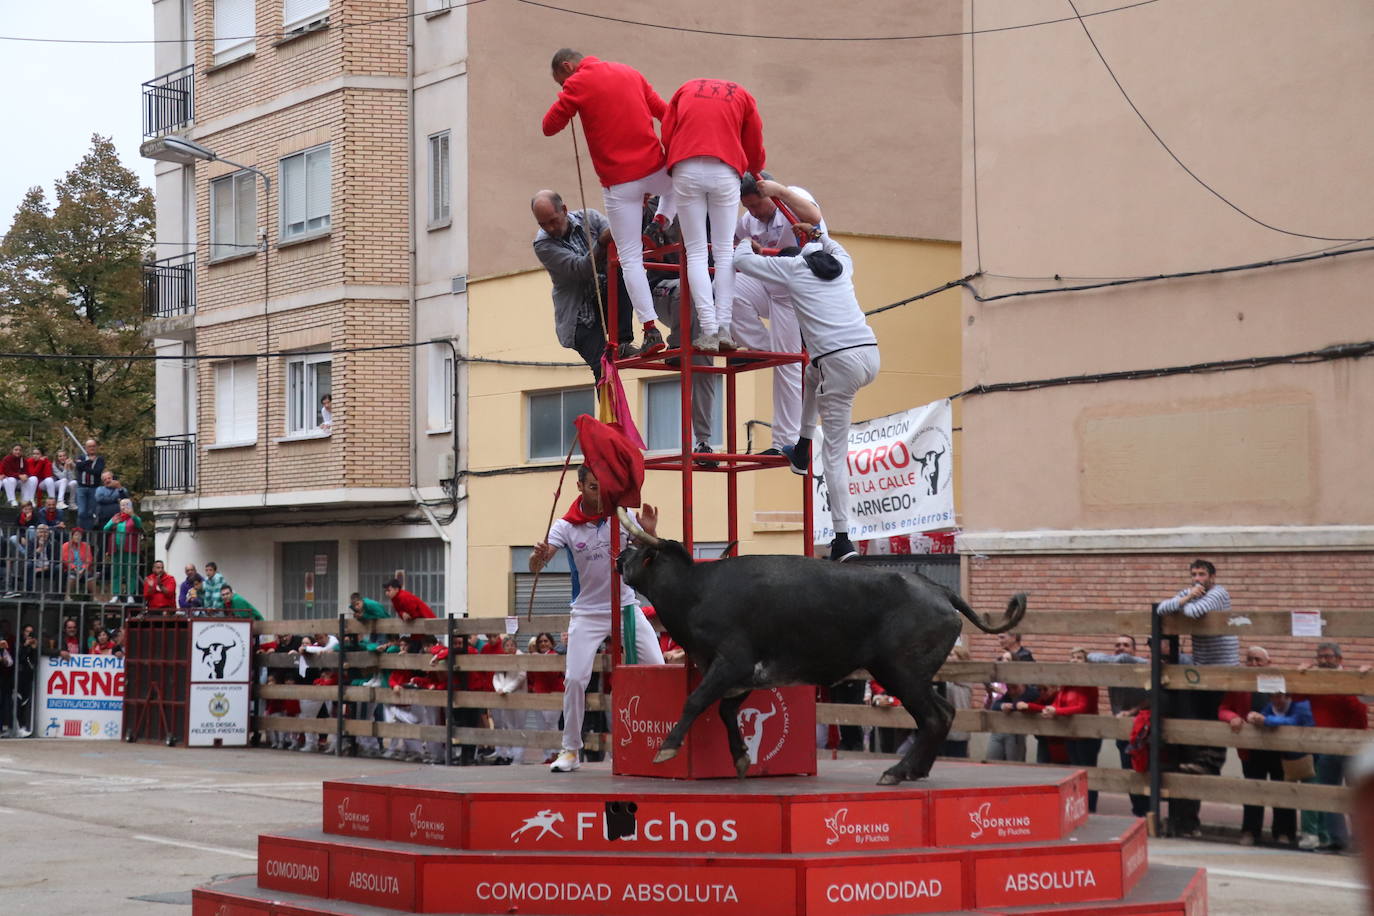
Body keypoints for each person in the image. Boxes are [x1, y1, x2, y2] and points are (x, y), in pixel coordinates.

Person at [733, 231, 878, 562]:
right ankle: (800, 447)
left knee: (834, 455)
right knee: (811, 373)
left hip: (840, 363)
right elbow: (827, 237)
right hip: (869, 354)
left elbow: (741, 262)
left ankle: (842, 540)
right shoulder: (842, 263)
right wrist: (816, 233)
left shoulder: (794, 268)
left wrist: (746, 243)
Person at [529, 466, 665, 772]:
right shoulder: (564, 526)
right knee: (576, 679)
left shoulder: (621, 515)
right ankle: (570, 750)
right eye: (592, 488)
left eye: (603, 488)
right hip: (587, 614)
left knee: (658, 668)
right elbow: (537, 565)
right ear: (579, 486)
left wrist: (649, 531)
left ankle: (658, 743)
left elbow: (652, 553)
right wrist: (536, 556)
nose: (600, 495)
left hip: (626, 607)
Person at [542, 49, 675, 357]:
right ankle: (659, 223)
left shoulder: (578, 84)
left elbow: (549, 126)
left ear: (567, 66)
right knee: (683, 183)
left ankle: (650, 329)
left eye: (562, 82)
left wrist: (569, 99)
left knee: (630, 259)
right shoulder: (631, 71)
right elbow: (665, 112)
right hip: (654, 169)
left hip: (619, 183)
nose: (564, 88)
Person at [659, 77, 766, 350]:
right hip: (725, 168)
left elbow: (668, 131)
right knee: (724, 252)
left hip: (685, 167)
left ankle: (708, 330)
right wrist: (755, 167)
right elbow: (753, 140)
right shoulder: (742, 93)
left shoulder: (683, 88)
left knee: (695, 251)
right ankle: (725, 329)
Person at [733, 175, 825, 456]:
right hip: (771, 285)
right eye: (747, 207)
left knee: (787, 367)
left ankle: (783, 442)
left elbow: (815, 216)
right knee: (724, 291)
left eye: (757, 205)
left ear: (769, 195)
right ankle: (764, 348)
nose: (754, 212)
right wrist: (747, 244)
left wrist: (780, 192)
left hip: (797, 291)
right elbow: (733, 239)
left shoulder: (791, 197)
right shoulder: (751, 220)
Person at [1155, 559, 1238, 836]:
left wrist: (1187, 600)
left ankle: (1210, 765)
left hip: (1223, 668)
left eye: (1202, 574)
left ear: (1212, 576)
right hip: (1203, 669)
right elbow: (1163, 608)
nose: (1197, 578)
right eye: (1194, 574)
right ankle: (1202, 764)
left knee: (1215, 719)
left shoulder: (1219, 593)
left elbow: (1194, 612)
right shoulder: (1192, 591)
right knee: (1200, 719)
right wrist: (1187, 597)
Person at [531, 190, 635, 377]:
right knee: (602, 367)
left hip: (603, 296)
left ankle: (623, 342)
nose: (551, 228)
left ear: (564, 209)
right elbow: (581, 269)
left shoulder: (590, 218)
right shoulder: (543, 245)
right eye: (543, 224)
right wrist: (602, 243)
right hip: (579, 316)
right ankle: (610, 406)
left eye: (553, 220)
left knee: (621, 271)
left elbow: (619, 242)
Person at [1219, 646, 1297, 846]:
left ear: (1268, 663)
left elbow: (1292, 711)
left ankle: (1284, 833)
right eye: (1250, 660)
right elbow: (1224, 708)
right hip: (1251, 748)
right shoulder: (1239, 684)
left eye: (1258, 660)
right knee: (1253, 790)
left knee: (1282, 791)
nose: (1253, 664)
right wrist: (1233, 717)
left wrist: (1269, 719)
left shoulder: (1281, 683)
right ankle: (1250, 831)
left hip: (1279, 747)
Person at [1296, 642, 1368, 851]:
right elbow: (1299, 700)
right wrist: (1300, 677)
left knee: (1355, 796)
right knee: (1329, 795)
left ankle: (1361, 842)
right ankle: (1338, 841)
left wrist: (1354, 683)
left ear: (1339, 660)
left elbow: (1360, 709)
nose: (1324, 660)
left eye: (1328, 657)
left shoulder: (1351, 679)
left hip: (1352, 747)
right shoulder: (1316, 681)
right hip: (1327, 746)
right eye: (1321, 657)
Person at [1087, 634, 1152, 817]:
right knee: (1127, 771)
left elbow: (1151, 697)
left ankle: (1147, 812)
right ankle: (1138, 812)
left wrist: (1131, 711)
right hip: (1121, 729)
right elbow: (1091, 656)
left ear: (1134, 649)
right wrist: (1115, 659)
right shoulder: (1112, 666)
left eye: (1126, 645)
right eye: (1117, 645)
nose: (1121, 648)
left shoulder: (1141, 666)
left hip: (1142, 726)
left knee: (1143, 771)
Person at [986, 651, 1039, 762]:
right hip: (999, 729)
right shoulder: (1008, 692)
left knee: (1014, 763)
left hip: (1017, 732)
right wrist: (1003, 706)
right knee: (992, 760)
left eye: (1008, 659)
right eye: (1002, 659)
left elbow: (1025, 702)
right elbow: (995, 705)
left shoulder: (1031, 691)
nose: (1012, 691)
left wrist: (1013, 706)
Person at [490, 633, 528, 766]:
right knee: (509, 725)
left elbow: (521, 676)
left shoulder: (521, 656)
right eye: (507, 645)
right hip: (504, 696)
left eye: (512, 645)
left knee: (519, 726)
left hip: (517, 695)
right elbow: (497, 675)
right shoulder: (502, 658)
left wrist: (506, 689)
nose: (510, 647)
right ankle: (509, 755)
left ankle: (518, 757)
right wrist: (499, 688)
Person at [527, 632, 564, 762]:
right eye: (541, 642)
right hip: (538, 695)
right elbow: (530, 676)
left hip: (553, 694)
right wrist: (532, 688)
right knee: (541, 727)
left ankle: (555, 753)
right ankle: (547, 755)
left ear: (551, 643)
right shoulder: (534, 657)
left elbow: (553, 674)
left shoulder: (554, 656)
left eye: (546, 641)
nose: (543, 644)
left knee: (551, 725)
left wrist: (540, 660)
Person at [102, 498, 142, 604]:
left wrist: (132, 515)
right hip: (116, 549)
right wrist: (112, 523)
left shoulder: (134, 517)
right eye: (122, 505)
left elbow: (139, 525)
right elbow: (105, 528)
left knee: (130, 572)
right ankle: (116, 595)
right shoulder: (116, 517)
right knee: (116, 572)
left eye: (126, 505)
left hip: (130, 549)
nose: (124, 507)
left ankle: (130, 595)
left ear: (131, 506)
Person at [74, 439, 104, 532]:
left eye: (93, 446)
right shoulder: (81, 457)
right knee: (81, 511)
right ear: (86, 448)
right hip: (81, 487)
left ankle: (88, 533)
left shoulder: (100, 459)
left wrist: (84, 468)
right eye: (89, 446)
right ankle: (79, 531)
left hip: (94, 488)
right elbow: (78, 466)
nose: (92, 448)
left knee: (91, 512)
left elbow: (97, 472)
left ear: (96, 447)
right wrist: (89, 462)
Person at [61, 528, 92, 596]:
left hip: (83, 569)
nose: (78, 537)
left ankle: (93, 596)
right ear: (72, 536)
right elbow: (65, 559)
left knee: (89, 576)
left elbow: (89, 559)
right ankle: (67, 596)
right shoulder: (66, 545)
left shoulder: (86, 545)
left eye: (79, 535)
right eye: (76, 535)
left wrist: (83, 569)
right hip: (71, 568)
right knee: (72, 576)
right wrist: (75, 569)